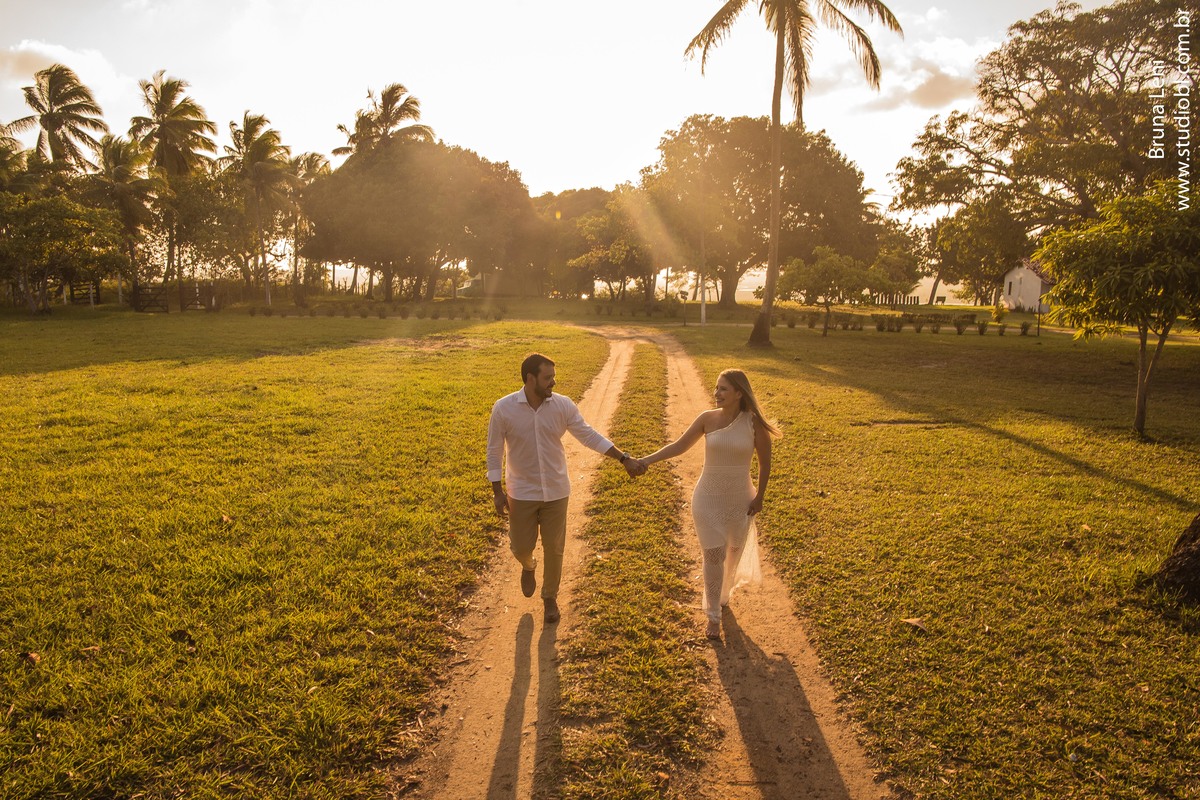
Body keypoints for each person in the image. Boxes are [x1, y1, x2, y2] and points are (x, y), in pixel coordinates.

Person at [487, 353, 645, 623]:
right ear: (530, 378)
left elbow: (588, 435)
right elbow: (494, 450)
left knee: (554, 547)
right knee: (521, 546)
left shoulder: (562, 405)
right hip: (521, 491)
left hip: (557, 490)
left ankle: (550, 597)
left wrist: (623, 458)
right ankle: (528, 564)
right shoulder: (504, 408)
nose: (553, 383)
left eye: (554, 378)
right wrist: (497, 491)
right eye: (547, 378)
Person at [631, 369, 781, 640]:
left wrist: (760, 497)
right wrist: (645, 460)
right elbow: (678, 447)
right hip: (707, 500)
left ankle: (723, 595)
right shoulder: (707, 419)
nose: (717, 393)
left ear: (739, 393)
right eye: (716, 388)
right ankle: (713, 615)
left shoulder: (754, 424)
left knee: (732, 555)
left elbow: (765, 464)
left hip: (740, 501)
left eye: (723, 389)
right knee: (713, 556)